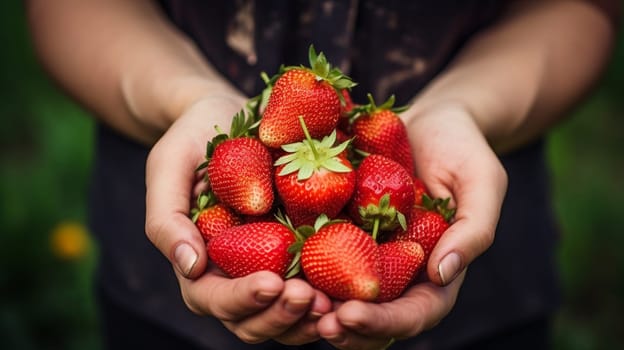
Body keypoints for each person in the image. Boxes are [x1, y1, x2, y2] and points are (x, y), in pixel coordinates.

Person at [25, 0, 618, 349]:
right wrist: (185, 100)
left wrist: (469, 108)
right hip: (161, 302)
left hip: (485, 301)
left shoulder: (372, 176)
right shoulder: (261, 171)